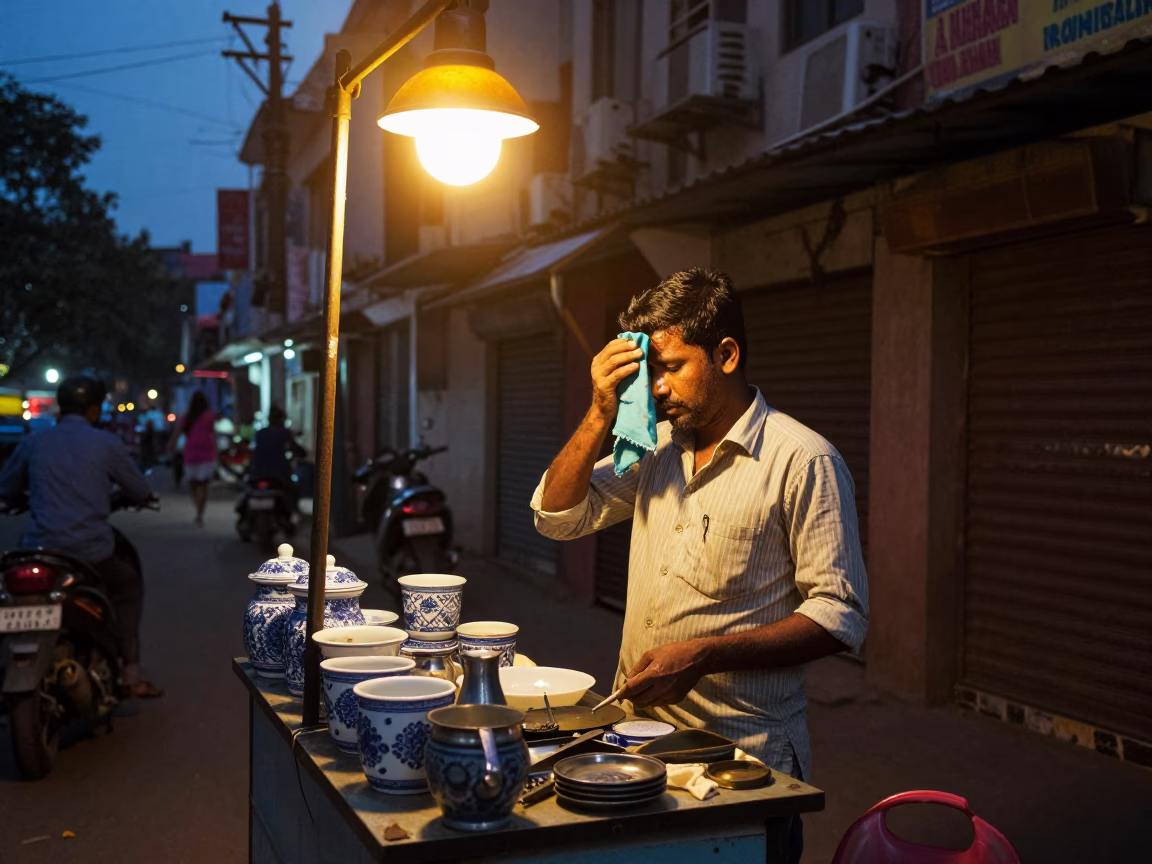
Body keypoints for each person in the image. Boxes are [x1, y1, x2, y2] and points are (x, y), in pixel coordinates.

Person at [531, 268, 869, 863]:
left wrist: (708, 652)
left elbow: (840, 617)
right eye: (646, 371)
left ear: (727, 354)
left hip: (744, 762)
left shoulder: (803, 460)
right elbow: (557, 518)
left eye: (671, 367)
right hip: (638, 747)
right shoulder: (654, 451)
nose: (655, 388)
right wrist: (598, 414)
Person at [0, 376, 163, 698]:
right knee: (128, 587)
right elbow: (140, 490)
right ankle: (131, 673)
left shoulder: (35, 441)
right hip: (91, 551)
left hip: (37, 550)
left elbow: (7, 488)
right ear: (92, 409)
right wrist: (137, 498)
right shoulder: (106, 443)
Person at [248, 404, 307, 510]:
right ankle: (293, 513)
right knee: (294, 490)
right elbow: (297, 449)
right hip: (279, 472)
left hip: (258, 471)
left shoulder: (260, 433)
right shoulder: (284, 433)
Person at [172, 391, 216, 527]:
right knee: (204, 483)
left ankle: (198, 509)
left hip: (191, 451)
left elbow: (177, 433)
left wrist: (169, 446)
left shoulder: (187, 416)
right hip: (207, 451)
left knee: (193, 483)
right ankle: (200, 512)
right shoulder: (210, 416)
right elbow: (215, 433)